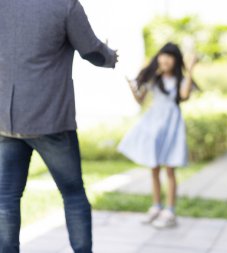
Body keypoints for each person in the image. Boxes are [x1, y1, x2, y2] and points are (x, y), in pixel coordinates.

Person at [0, 1, 118, 252]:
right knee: (74, 195)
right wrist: (111, 56)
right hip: (50, 120)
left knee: (6, 199)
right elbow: (92, 51)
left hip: (6, 121)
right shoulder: (64, 5)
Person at [118, 42, 197, 229]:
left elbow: (184, 96)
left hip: (171, 126)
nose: (165, 59)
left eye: (170, 56)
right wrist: (132, 88)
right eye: (163, 55)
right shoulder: (153, 78)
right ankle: (156, 207)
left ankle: (170, 211)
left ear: (176, 61)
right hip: (154, 125)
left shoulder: (180, 80)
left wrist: (191, 69)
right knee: (154, 167)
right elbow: (141, 99)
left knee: (169, 169)